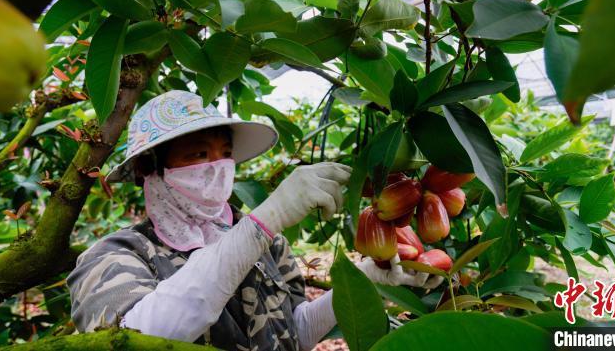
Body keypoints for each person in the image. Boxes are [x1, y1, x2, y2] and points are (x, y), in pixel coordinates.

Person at [67, 91, 443, 351]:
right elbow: (138, 338)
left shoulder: (268, 242)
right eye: (198, 154)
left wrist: (366, 280)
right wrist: (267, 219)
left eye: (225, 154)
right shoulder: (116, 256)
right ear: (150, 169)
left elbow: (291, 332)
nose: (217, 167)